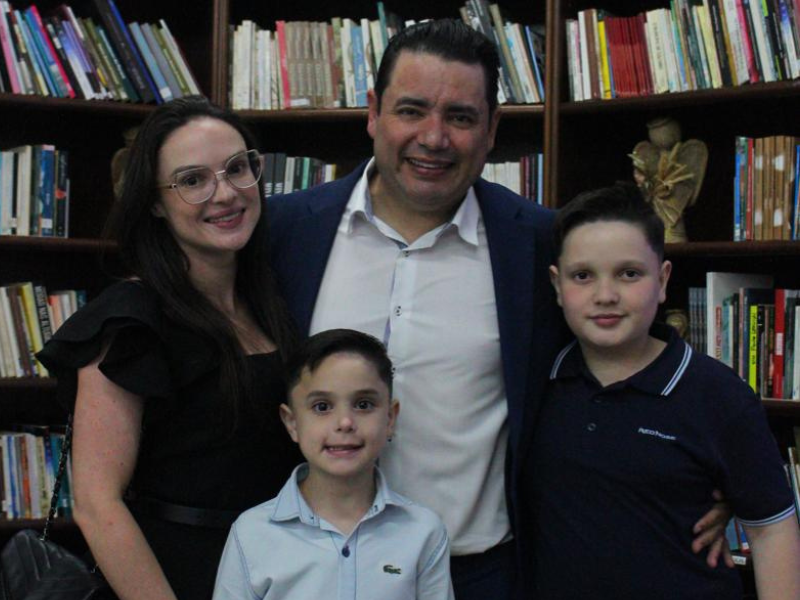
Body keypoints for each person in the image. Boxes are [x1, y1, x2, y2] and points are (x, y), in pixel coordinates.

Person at [267, 19, 732, 599]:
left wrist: (715, 475)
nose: (434, 138)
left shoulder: (539, 244)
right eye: (411, 110)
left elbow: (637, 359)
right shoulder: (286, 231)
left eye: (460, 117)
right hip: (313, 570)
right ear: (373, 113)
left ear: (491, 130)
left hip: (480, 576)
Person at [37, 96, 300, 600]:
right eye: (193, 180)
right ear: (155, 203)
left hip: (277, 570)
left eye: (236, 168)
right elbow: (96, 503)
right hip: (178, 576)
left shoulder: (272, 302)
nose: (226, 194)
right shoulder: (131, 321)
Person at [525, 182, 800, 600]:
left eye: (629, 274)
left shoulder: (718, 395)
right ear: (557, 285)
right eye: (583, 276)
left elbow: (771, 530)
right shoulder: (536, 380)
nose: (605, 295)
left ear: (663, 279)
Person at [213, 328, 454, 600]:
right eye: (322, 407)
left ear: (390, 418)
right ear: (292, 423)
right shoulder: (252, 533)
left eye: (363, 404)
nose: (345, 422)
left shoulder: (423, 532)